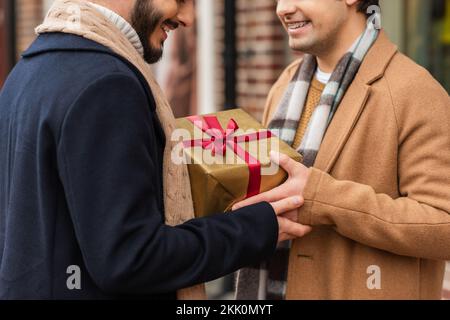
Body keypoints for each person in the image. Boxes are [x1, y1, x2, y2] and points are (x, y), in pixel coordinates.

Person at [0, 0, 310, 299]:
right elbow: (131, 258)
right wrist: (259, 225)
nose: (187, 17)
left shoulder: (27, 71)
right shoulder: (108, 85)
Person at [234, 0, 450, 300]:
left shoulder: (415, 91)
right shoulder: (285, 84)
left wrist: (323, 198)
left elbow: (444, 224)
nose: (282, 8)